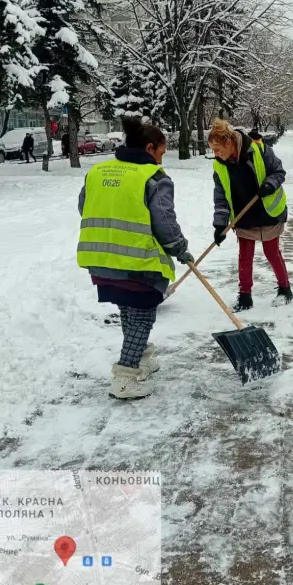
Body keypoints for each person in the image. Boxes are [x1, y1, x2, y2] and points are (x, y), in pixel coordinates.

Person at [77, 117, 193, 400]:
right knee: (142, 317)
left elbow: (84, 206)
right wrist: (180, 248)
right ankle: (125, 377)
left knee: (128, 310)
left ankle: (139, 358)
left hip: (102, 258)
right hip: (138, 261)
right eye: (162, 153)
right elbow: (164, 221)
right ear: (150, 148)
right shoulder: (153, 178)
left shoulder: (98, 171)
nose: (161, 160)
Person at [208, 119, 292, 311]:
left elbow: (279, 172)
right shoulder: (220, 165)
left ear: (229, 143)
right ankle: (245, 295)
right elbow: (220, 196)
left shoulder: (259, 149)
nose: (216, 154)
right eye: (213, 150)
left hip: (267, 210)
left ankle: (285, 288)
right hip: (242, 215)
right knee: (245, 256)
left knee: (272, 253)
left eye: (217, 149)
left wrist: (270, 184)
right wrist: (219, 225)